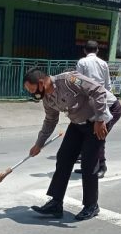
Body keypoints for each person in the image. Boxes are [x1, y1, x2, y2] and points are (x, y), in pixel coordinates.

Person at [24, 68, 112, 221]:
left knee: (88, 161)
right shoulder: (47, 98)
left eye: (32, 90)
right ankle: (56, 203)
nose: (33, 94)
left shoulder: (69, 80)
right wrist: (39, 144)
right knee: (64, 157)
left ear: (41, 83)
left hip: (101, 115)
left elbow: (98, 91)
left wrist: (99, 119)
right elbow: (50, 121)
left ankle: (91, 205)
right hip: (79, 121)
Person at [74, 40, 121, 178]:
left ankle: (102, 166)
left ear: (84, 50)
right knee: (88, 135)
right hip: (101, 101)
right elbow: (107, 85)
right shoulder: (103, 63)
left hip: (104, 105)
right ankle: (88, 166)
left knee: (99, 136)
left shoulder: (82, 62)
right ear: (97, 50)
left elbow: (78, 83)